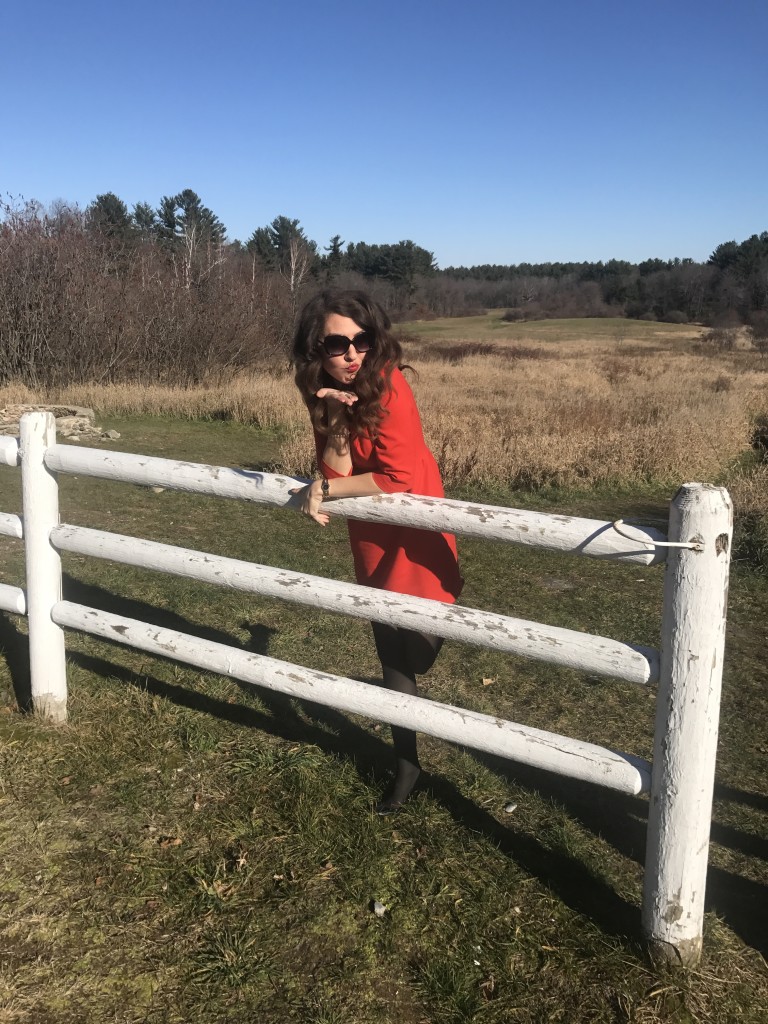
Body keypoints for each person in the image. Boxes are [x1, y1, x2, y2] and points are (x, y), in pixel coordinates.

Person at [291, 289, 463, 813]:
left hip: (416, 529)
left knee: (420, 652)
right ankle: (406, 766)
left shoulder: (389, 385)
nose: (351, 355)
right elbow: (338, 472)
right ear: (315, 350)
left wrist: (319, 490)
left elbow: (399, 476)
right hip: (371, 531)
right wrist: (335, 421)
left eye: (361, 341)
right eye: (336, 344)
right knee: (391, 652)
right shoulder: (327, 391)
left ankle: (448, 605)